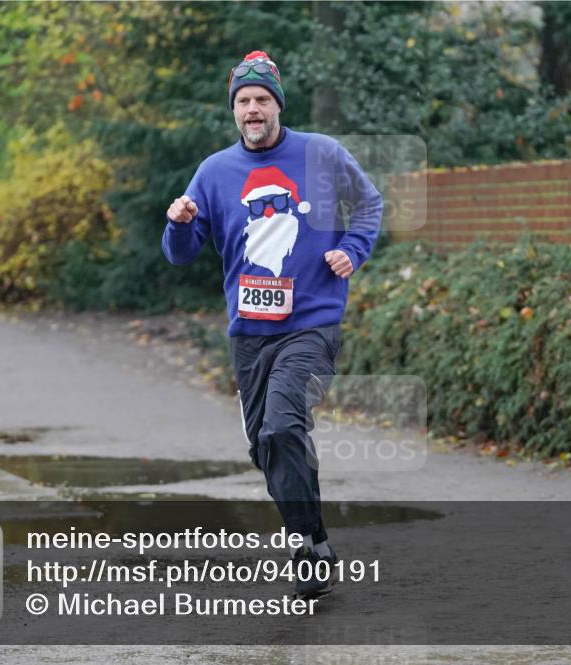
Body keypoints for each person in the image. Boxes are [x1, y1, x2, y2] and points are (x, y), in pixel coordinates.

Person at [161, 50, 383, 599]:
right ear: (234, 110)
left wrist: (353, 250)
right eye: (244, 101)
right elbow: (181, 254)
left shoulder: (320, 154)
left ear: (278, 105)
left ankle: (307, 547)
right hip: (248, 333)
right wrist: (179, 224)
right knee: (266, 445)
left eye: (262, 99)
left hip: (311, 323)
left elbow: (369, 203)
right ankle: (312, 539)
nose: (253, 109)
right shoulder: (214, 172)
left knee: (283, 427)